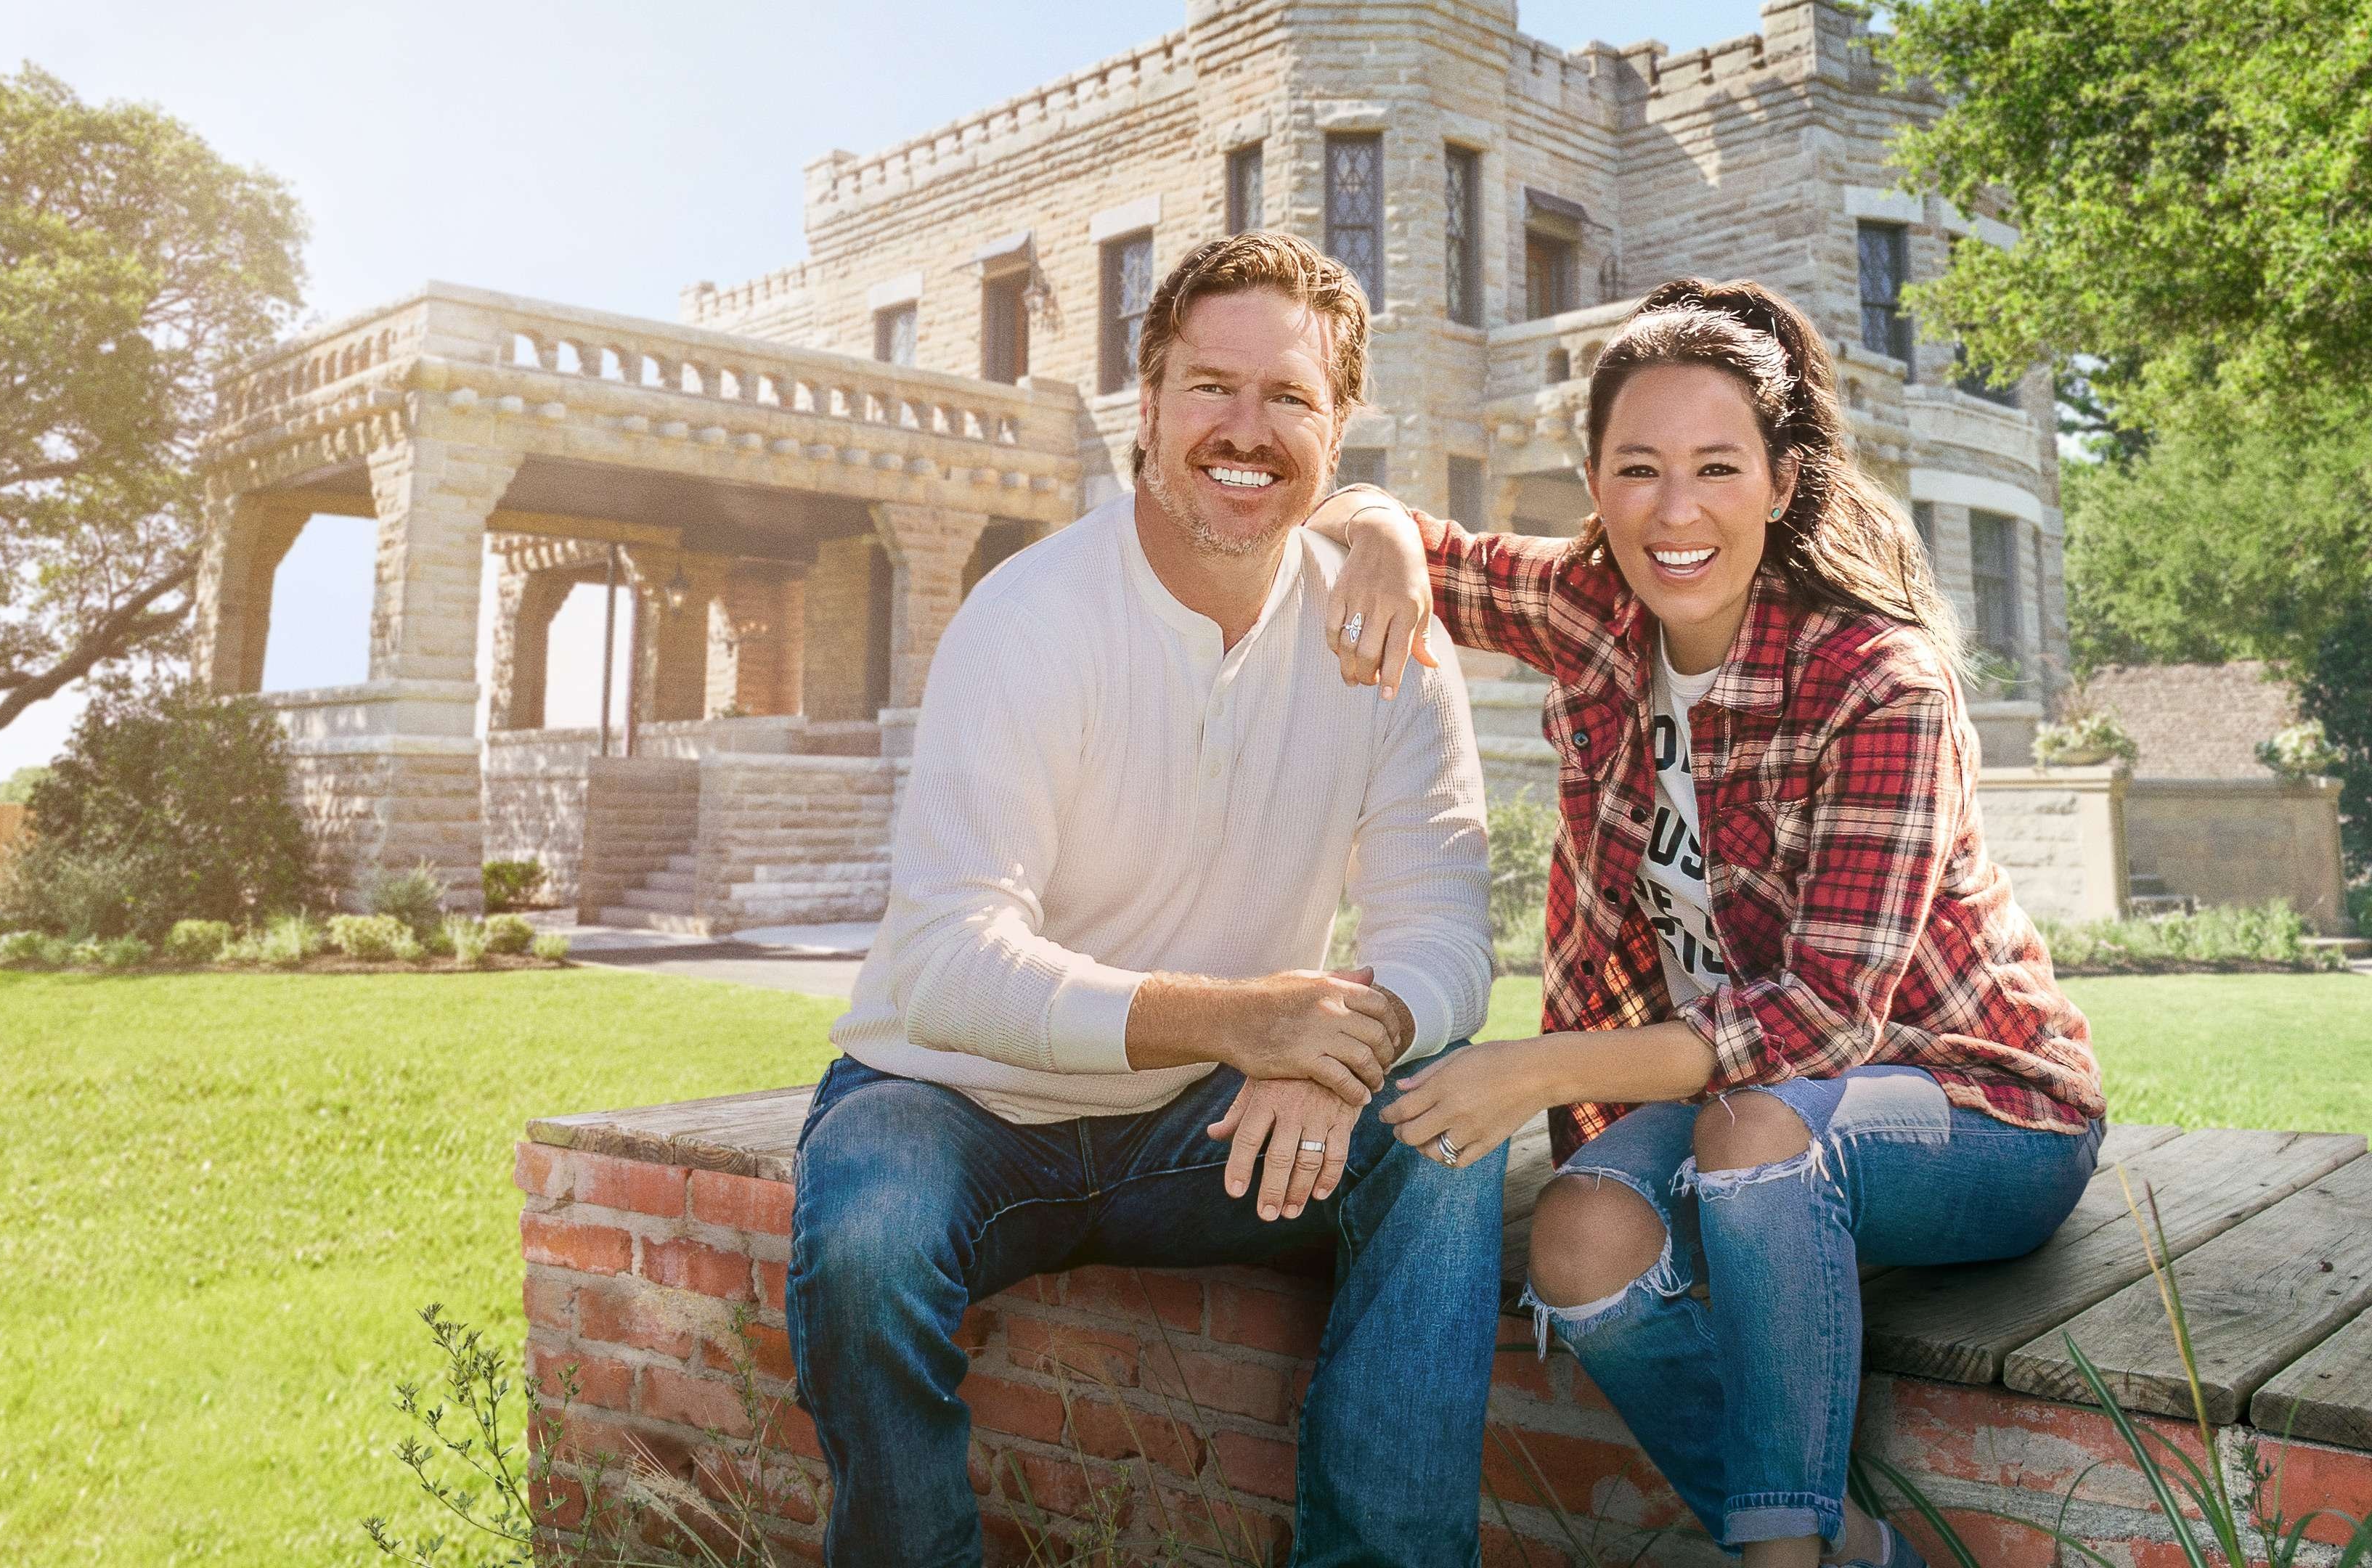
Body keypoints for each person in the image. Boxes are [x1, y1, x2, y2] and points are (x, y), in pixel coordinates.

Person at [1305, 277, 2107, 1568]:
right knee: (1579, 1243)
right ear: (1594, 482)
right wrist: (1390, 538)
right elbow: (1360, 513)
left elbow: (1819, 1023)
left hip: (1980, 1109)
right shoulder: (1595, 614)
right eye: (1638, 471)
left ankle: (1776, 1561)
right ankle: (1851, 1543)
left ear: (1782, 482)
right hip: (1751, 1102)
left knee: (1755, 1134)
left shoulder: (1876, 682)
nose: (1675, 513)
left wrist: (1536, 1070)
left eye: (1717, 467)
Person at [788, 229, 1504, 1567]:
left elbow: (1446, 931)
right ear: (1149, 409)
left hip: (1203, 1129)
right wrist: (1248, 1021)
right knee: (870, 1239)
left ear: (1338, 431)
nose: (1247, 429)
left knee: (1445, 1142)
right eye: (1210, 389)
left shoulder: (1391, 649)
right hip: (954, 1099)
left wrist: (1349, 1049)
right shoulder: (1030, 617)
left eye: (1290, 397)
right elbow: (947, 962)